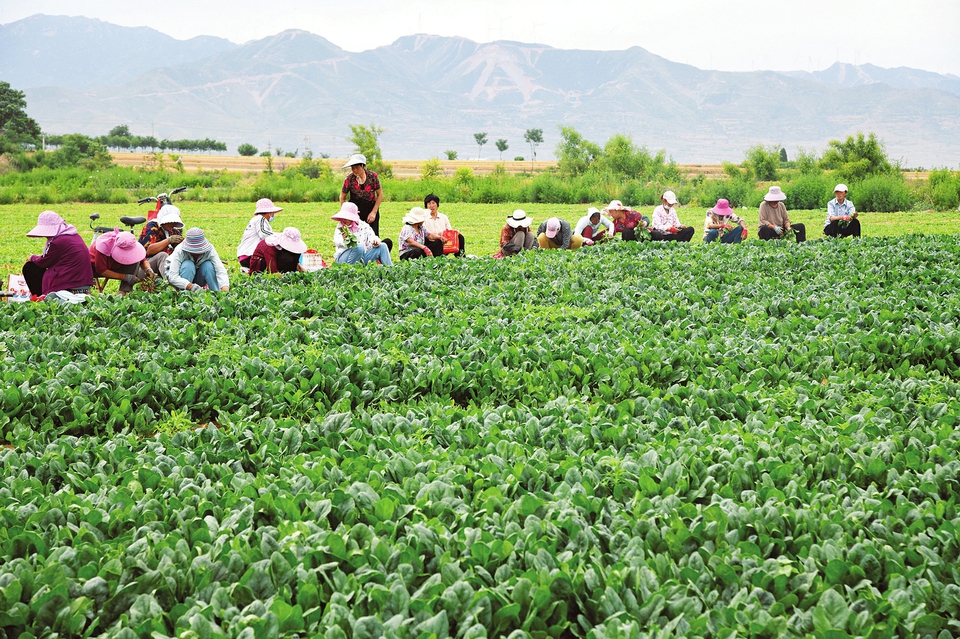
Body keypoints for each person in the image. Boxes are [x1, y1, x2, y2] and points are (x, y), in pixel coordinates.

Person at [22, 211, 94, 297]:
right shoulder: (73, 235)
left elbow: (44, 262)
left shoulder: (58, 242)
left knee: (30, 267)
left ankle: (40, 297)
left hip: (69, 282)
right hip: (82, 280)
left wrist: (32, 257)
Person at [339, 153, 391, 251]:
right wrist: (346, 214)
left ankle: (375, 256)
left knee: (373, 237)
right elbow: (342, 197)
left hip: (371, 209)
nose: (355, 170)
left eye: (357, 167)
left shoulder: (373, 176)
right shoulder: (349, 179)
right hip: (355, 210)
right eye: (353, 168)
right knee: (357, 237)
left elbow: (380, 195)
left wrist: (374, 212)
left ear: (364, 166)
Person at [90, 229, 156, 295]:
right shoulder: (103, 246)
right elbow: (101, 270)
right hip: (95, 269)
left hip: (116, 266)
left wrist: (148, 269)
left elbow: (142, 260)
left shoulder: (130, 244)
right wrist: (125, 277)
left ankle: (122, 293)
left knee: (135, 262)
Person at [332, 202, 393, 266]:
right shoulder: (340, 227)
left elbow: (372, 237)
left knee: (382, 246)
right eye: (343, 217)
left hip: (362, 257)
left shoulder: (364, 226)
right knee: (359, 247)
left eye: (347, 217)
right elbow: (337, 242)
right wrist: (344, 240)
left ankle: (390, 269)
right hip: (344, 258)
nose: (344, 219)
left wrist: (375, 241)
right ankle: (349, 270)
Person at [138, 204, 185, 278]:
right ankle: (171, 281)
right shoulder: (152, 227)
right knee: (162, 255)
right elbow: (148, 251)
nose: (172, 224)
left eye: (174, 222)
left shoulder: (173, 230)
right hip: (145, 267)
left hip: (164, 265)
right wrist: (168, 240)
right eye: (170, 222)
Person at [237, 198, 281, 270]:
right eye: (273, 213)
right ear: (269, 212)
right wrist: (281, 237)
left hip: (244, 257)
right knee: (280, 261)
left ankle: (249, 269)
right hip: (250, 256)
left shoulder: (256, 220)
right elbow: (263, 233)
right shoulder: (261, 219)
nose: (273, 215)